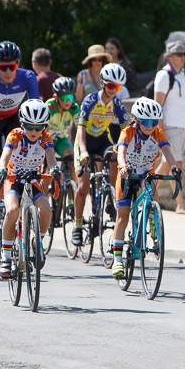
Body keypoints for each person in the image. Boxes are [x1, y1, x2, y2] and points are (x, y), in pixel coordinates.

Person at [0, 40, 40, 252]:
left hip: (13, 119)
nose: (9, 71)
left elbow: (35, 108)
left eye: (12, 66)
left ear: (18, 64)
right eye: (3, 67)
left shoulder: (28, 77)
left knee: (22, 164)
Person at [110, 97, 183, 278]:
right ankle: (118, 260)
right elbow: (121, 153)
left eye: (154, 121)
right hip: (128, 173)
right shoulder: (127, 132)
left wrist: (174, 167)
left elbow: (167, 152)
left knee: (151, 189)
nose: (151, 126)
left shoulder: (158, 133)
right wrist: (123, 166)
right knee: (122, 217)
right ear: (137, 120)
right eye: (147, 122)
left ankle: (151, 215)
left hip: (145, 173)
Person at [0, 99, 57, 279]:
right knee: (12, 210)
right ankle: (6, 258)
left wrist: (54, 169)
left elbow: (51, 157)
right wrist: (2, 168)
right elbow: (5, 155)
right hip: (13, 179)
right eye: (30, 127)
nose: (34, 132)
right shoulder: (15, 135)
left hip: (33, 180)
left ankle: (38, 242)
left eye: (39, 127)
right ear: (22, 124)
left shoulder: (45, 137)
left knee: (45, 209)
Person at [73, 62, 127, 244]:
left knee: (114, 159)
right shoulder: (90, 100)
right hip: (85, 140)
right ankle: (78, 225)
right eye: (111, 86)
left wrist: (126, 150)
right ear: (103, 83)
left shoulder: (117, 104)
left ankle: (110, 197)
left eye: (117, 87)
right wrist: (83, 152)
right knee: (83, 187)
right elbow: (80, 129)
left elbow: (125, 131)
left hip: (103, 140)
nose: (113, 90)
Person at [153, 39, 185, 213]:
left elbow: (182, 100)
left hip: (180, 125)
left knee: (168, 164)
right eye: (179, 54)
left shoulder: (182, 74)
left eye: (184, 53)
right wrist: (159, 128)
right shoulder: (164, 75)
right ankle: (181, 204)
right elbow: (158, 104)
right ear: (169, 56)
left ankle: (148, 190)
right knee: (175, 163)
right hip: (170, 126)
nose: (183, 57)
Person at [46, 75, 79, 228]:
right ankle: (44, 195)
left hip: (61, 139)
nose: (68, 101)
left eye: (71, 97)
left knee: (71, 158)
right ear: (56, 97)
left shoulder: (74, 109)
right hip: (48, 139)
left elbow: (80, 130)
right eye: (64, 97)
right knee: (49, 167)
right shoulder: (49, 107)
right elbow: (43, 132)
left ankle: (72, 198)